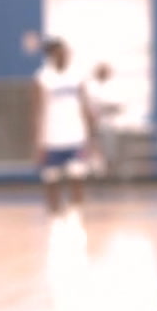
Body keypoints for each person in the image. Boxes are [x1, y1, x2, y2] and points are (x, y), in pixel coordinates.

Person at [32, 38, 97, 214]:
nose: (66, 56)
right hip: (52, 139)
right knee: (51, 179)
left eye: (67, 52)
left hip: (75, 136)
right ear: (52, 55)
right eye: (62, 52)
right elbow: (37, 112)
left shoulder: (77, 76)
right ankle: (54, 216)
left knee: (77, 176)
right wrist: (38, 143)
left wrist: (91, 137)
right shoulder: (43, 78)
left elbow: (85, 106)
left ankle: (76, 215)